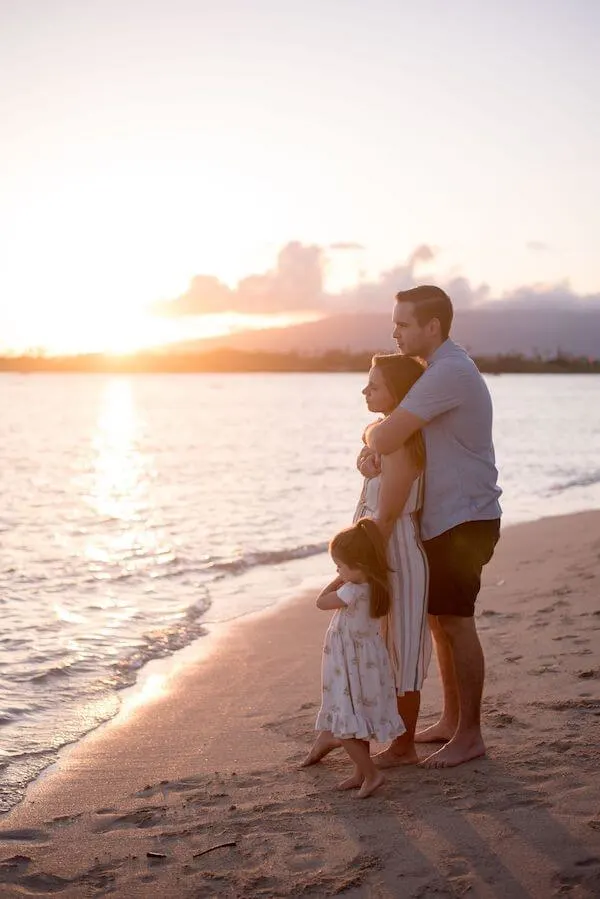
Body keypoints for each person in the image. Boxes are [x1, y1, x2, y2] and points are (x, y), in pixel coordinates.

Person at [364, 285, 502, 769]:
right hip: (451, 517)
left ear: (432, 327)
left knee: (456, 622)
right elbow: (403, 439)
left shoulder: (448, 372)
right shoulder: (439, 370)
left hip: (465, 519)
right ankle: (451, 721)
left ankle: (470, 735)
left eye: (402, 324)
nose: (395, 332)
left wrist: (372, 440)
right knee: (441, 622)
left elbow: (386, 432)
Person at [302, 354, 431, 768]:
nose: (365, 391)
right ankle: (333, 732)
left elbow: (389, 516)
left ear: (398, 392)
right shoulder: (384, 437)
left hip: (391, 558)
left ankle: (403, 746)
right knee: (353, 645)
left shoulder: (398, 442)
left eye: (373, 385)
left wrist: (367, 572)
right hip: (372, 554)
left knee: (401, 650)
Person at [310, 518, 405, 798]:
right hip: (366, 663)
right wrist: (347, 571)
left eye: (340, 565)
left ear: (359, 566)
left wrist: (340, 578)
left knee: (344, 727)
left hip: (350, 665)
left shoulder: (351, 590)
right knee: (357, 718)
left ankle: (373, 775)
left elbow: (321, 601)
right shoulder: (377, 585)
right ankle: (360, 773)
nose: (337, 570)